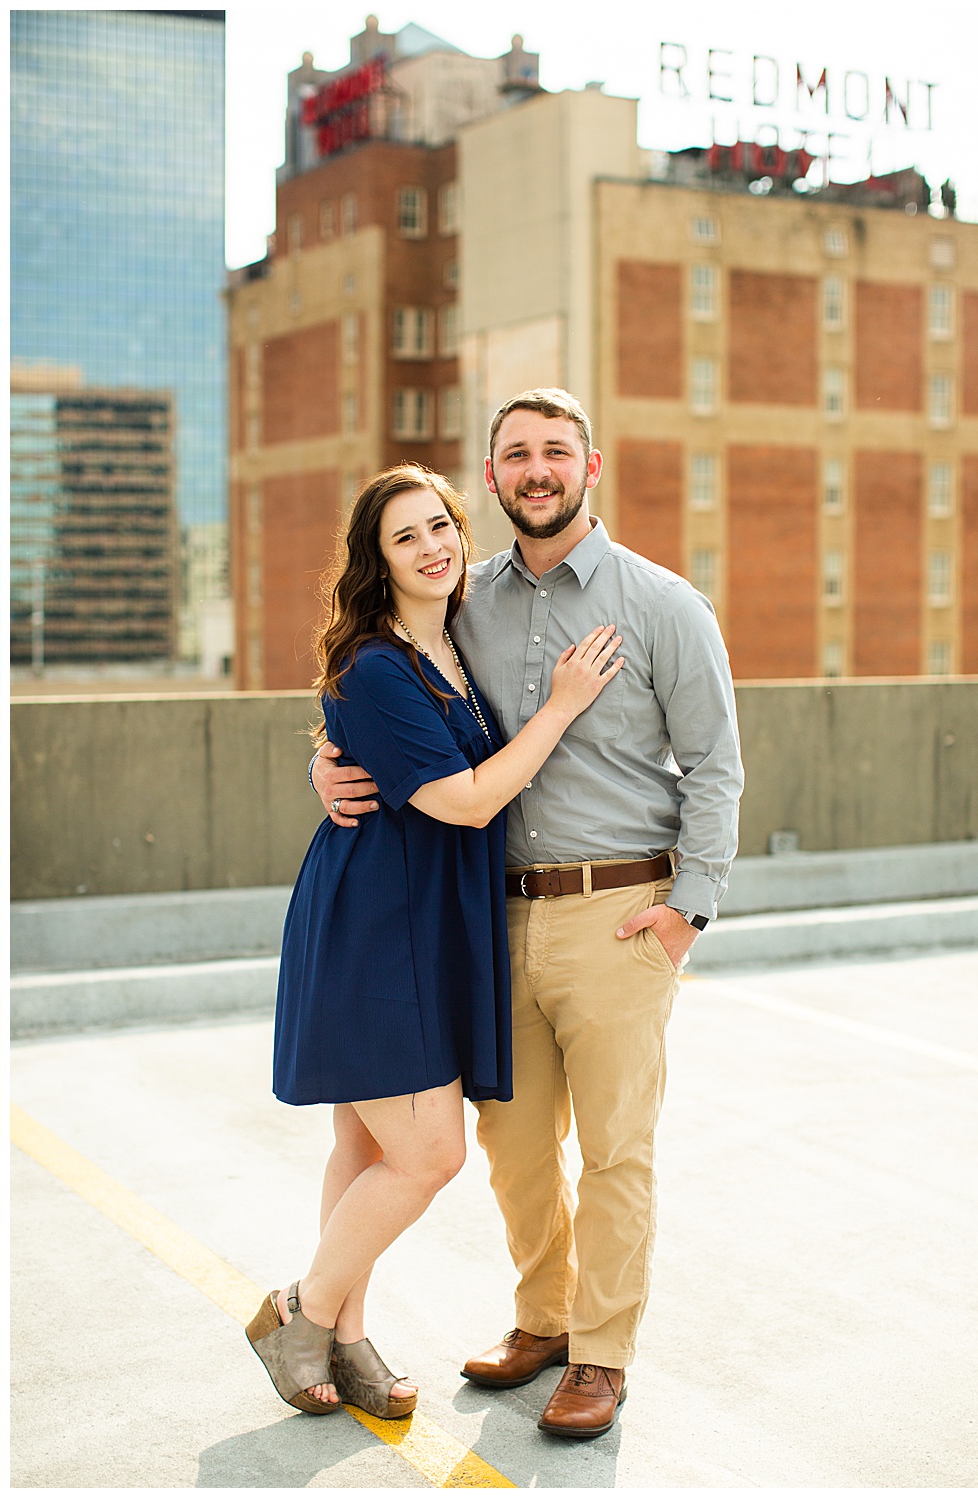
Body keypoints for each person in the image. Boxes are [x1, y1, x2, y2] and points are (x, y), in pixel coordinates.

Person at [312, 389, 742, 1440]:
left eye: (555, 451)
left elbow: (716, 768)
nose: (535, 468)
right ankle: (543, 1319)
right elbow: (390, 692)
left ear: (589, 467)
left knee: (612, 1152)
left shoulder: (660, 604)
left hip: (618, 915)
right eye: (515, 454)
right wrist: (325, 762)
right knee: (508, 1145)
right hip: (493, 920)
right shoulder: (467, 598)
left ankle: (600, 1354)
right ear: (492, 479)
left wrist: (689, 907)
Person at [249, 463, 625, 1420]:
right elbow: (461, 801)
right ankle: (301, 1306)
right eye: (405, 537)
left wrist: (324, 760)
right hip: (380, 930)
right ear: (378, 562)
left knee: (361, 1144)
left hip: (423, 918)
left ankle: (342, 1338)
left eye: (441, 527)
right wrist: (561, 705)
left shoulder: (450, 644)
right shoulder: (378, 661)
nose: (433, 547)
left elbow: (374, 750)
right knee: (426, 1155)